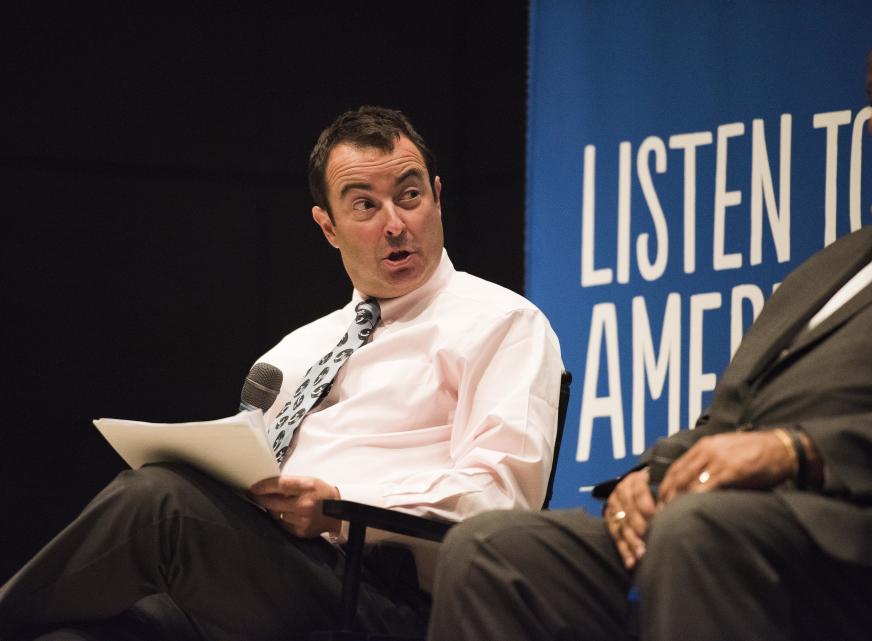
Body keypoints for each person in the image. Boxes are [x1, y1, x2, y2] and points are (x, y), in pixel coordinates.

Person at [425, 4, 872, 641]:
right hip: (728, 521)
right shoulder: (835, 264)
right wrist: (648, 476)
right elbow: (728, 418)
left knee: (696, 532)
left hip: (864, 530)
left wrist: (800, 451)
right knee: (490, 550)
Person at [0, 106, 563, 641]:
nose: (396, 224)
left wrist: (341, 505)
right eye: (364, 206)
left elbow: (501, 501)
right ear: (328, 227)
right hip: (269, 570)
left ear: (437, 198)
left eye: (409, 196)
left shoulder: (503, 323)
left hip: (388, 598)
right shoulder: (298, 349)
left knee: (159, 503)